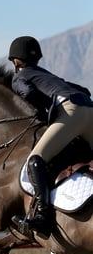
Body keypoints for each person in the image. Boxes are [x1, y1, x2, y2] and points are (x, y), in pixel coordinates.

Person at [8, 36, 93, 238]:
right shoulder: (46, 74)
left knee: (36, 160)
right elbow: (84, 90)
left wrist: (45, 113)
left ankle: (43, 217)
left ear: (15, 61)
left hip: (72, 112)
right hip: (90, 108)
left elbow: (27, 94)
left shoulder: (19, 76)